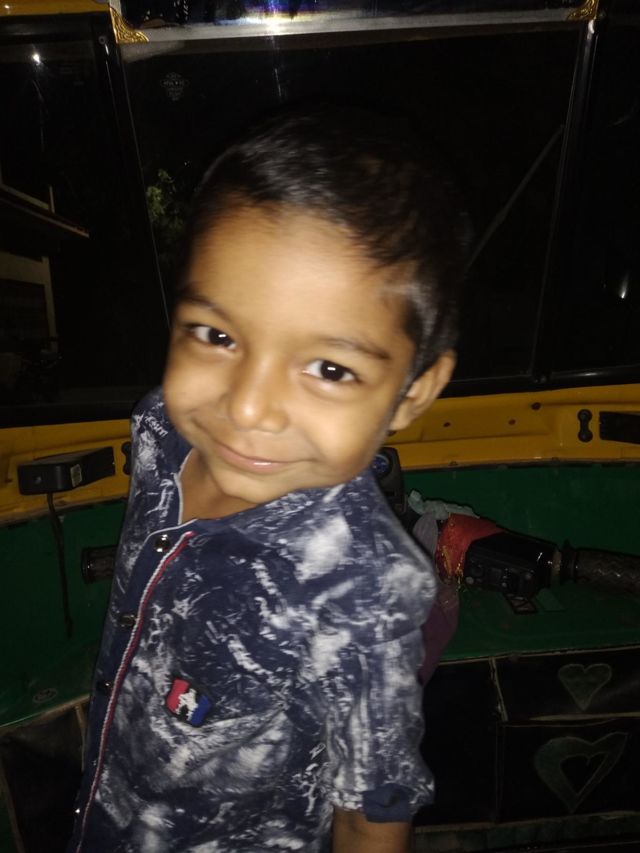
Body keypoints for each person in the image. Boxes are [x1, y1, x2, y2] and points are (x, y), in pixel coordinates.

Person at [68, 103, 469, 853]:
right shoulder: (162, 431)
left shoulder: (361, 596)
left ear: (413, 392)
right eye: (217, 335)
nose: (247, 406)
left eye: (329, 369)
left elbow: (372, 816)